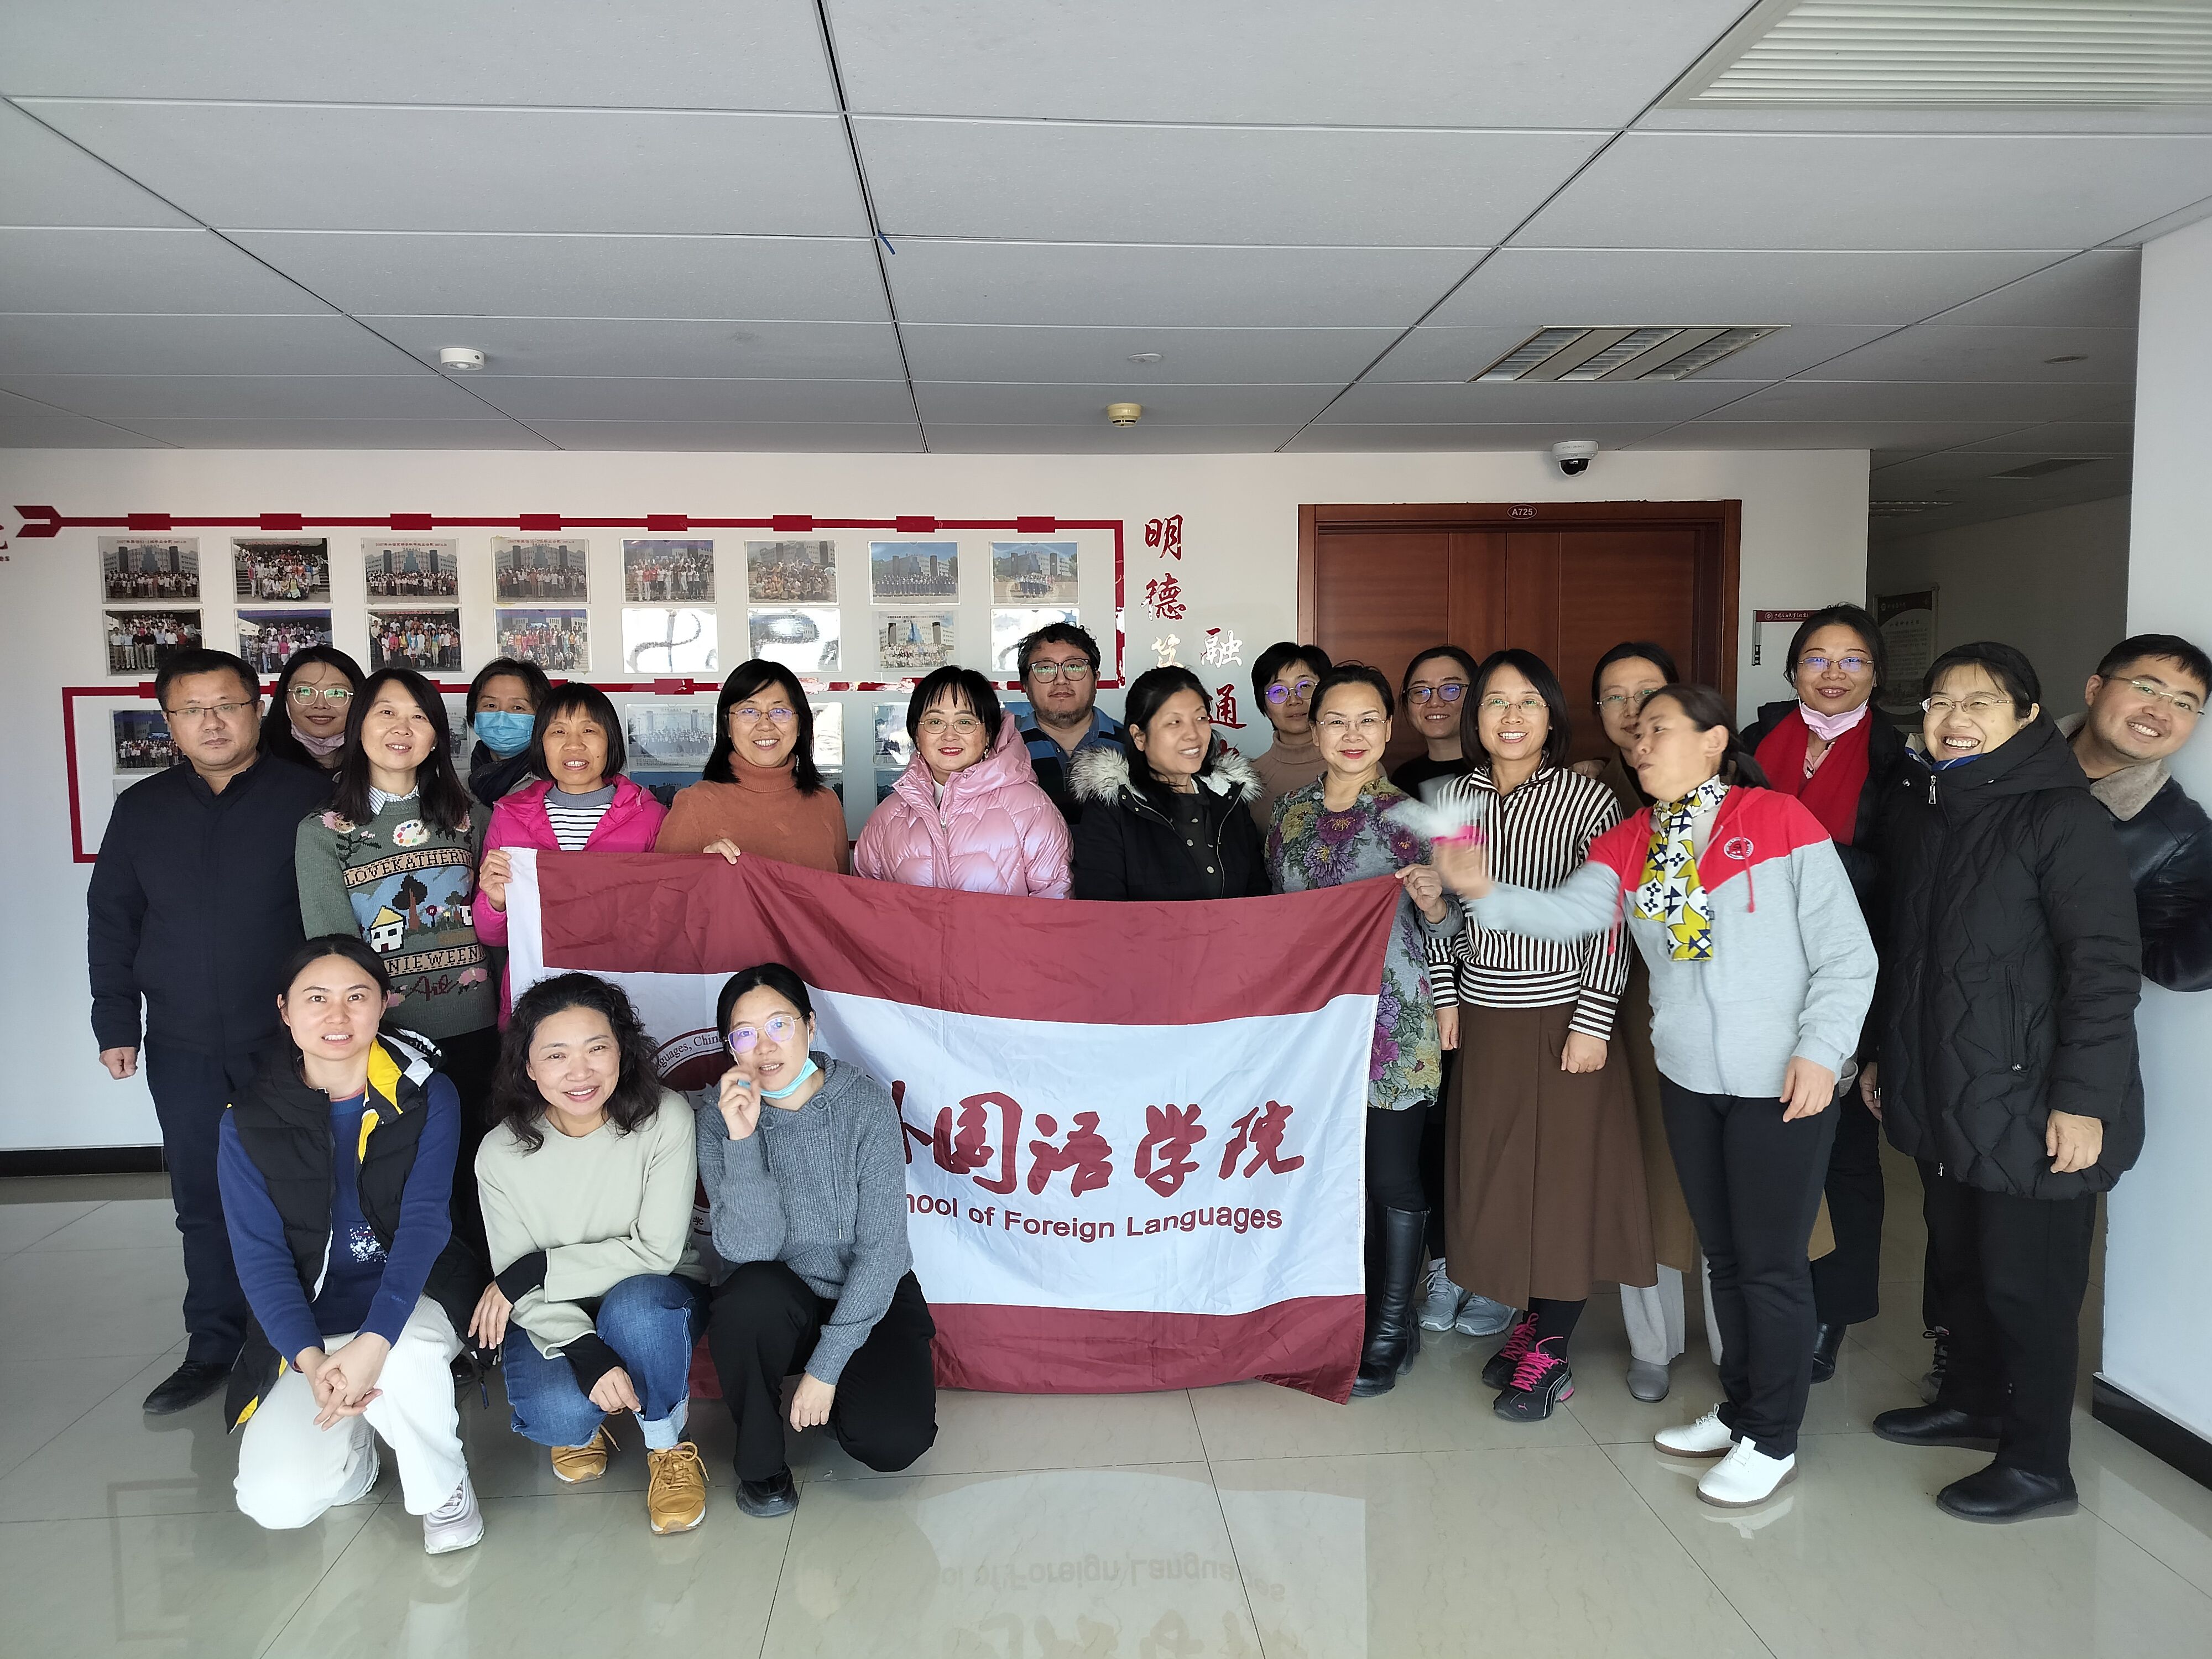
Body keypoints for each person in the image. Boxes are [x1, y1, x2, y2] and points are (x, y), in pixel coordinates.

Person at [1437, 684, 1875, 1507]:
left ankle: (1772, 1439)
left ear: (1713, 742)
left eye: (1659, 730)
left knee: (1771, 1265)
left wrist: (1822, 1052)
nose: (1639, 745)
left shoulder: (1778, 820)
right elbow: (1567, 918)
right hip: (1689, 1077)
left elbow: (1849, 956)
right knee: (1727, 1257)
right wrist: (1481, 891)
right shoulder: (1631, 840)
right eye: (1634, 735)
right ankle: (1741, 1411)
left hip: (1782, 1078)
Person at [1867, 643, 2143, 1524]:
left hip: (2034, 1099)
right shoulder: (1928, 810)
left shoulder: (2063, 818)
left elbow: (2104, 970)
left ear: (2028, 718)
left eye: (1981, 703)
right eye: (1940, 702)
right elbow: (1906, 959)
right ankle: (1974, 1403)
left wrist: (2085, 1102)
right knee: (1962, 1266)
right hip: (1949, 1088)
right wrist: (1882, 1056)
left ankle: (2037, 1464)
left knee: (2032, 1288)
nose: (1955, 718)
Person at [88, 648, 333, 1415]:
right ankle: (212, 1345)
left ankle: (306, 1338)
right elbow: (113, 919)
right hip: (184, 1041)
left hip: (291, 1042)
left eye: (226, 705)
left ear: (257, 707)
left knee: (306, 1190)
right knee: (202, 1197)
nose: (212, 722)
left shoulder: (311, 797)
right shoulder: (143, 808)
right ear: (170, 722)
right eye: (192, 710)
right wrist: (115, 1021)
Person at [1430, 650, 1653, 1421]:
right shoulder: (1453, 799)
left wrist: (1594, 1021)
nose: (1512, 716)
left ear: (1552, 716)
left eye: (1528, 701)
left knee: (1561, 1183)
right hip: (1485, 1016)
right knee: (1498, 1177)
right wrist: (1446, 995)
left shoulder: (1587, 801)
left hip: (1564, 1015)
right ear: (1476, 717)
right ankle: (1531, 1318)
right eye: (1496, 702)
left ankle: (1552, 1352)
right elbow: (1444, 912)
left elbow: (1610, 918)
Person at [220, 937, 485, 1552]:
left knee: (407, 1355)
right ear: (285, 1010)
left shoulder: (426, 1093)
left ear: (384, 1004)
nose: (337, 1016)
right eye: (317, 999)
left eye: (357, 997)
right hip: (313, 1324)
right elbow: (259, 1258)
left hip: (416, 1299)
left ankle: (442, 1489)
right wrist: (311, 1363)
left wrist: (375, 1340)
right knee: (275, 1502)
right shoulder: (246, 1119)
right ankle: (358, 1450)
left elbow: (424, 1224)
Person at [1267, 664, 1457, 1397]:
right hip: (1312, 1029)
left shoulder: (1418, 817)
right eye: (1337, 721)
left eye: (1368, 719)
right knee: (1328, 1179)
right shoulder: (1288, 815)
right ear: (1314, 729)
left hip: (1392, 1022)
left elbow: (1458, 929)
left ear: (1388, 727)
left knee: (1388, 1174)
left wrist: (1436, 906)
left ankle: (1391, 1325)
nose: (1353, 735)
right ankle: (1342, 1315)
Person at [472, 973, 712, 1535]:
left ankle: (666, 1445)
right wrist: (584, 1350)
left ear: (622, 1052)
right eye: (556, 1055)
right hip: (556, 1312)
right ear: (529, 1067)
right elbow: (517, 1290)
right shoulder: (500, 1153)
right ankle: (586, 1416)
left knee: (637, 1309)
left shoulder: (665, 1118)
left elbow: (656, 1252)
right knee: (558, 1416)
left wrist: (537, 1269)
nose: (579, 1073)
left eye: (596, 1049)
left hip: (654, 1292)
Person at [698, 963, 937, 1517]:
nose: (764, 1046)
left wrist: (826, 1369)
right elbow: (748, 1252)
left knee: (894, 1441)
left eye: (779, 1025)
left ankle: (837, 1393)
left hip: (868, 1292)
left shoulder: (864, 1104)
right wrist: (742, 1139)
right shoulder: (718, 1118)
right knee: (746, 1299)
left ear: (809, 1025)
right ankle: (762, 1467)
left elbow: (882, 1253)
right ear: (730, 1048)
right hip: (781, 1299)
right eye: (744, 1034)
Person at [1741, 605, 1909, 1386]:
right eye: (1816, 658)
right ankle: (1766, 1298)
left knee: (1842, 1155)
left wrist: (1810, 866)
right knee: (1766, 1144)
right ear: (1793, 669)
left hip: (1851, 973)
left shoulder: (1898, 758)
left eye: (1852, 660)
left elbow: (1903, 883)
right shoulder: (1755, 739)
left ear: (1876, 673)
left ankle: (1829, 1313)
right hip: (1752, 975)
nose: (1833, 674)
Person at [1575, 642, 1704, 1401]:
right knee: (1644, 1178)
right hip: (1624, 1011)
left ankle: (1742, 1349)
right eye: (1614, 697)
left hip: (1727, 1015)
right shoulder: (1590, 796)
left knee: (1726, 1183)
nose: (1632, 713)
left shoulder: (1733, 793)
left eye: (1647, 694)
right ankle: (1652, 1343)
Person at [475, 684, 668, 1018]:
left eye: (589, 730)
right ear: (541, 743)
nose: (574, 744)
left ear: (610, 741)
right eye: (558, 731)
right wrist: (496, 903)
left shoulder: (650, 817)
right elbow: (491, 936)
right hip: (537, 1000)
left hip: (624, 997)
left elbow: (670, 918)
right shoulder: (509, 817)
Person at [2063, 633, 2212, 992]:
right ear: (2095, 689)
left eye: (2184, 704)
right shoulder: (1997, 754)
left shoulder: (2180, 834)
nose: (2160, 712)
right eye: (2146, 689)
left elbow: (2174, 966)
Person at [854, 666, 1071, 896]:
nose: (950, 735)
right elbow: (865, 905)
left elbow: (1054, 904)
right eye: (935, 722)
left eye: (965, 722)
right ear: (917, 734)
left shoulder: (1032, 809)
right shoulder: (886, 817)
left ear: (988, 734)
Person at [1068, 665, 1269, 901]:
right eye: (1175, 722)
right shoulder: (1111, 810)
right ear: (1139, 737)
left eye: (1201, 718)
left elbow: (1258, 896)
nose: (1193, 734)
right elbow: (1102, 909)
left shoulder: (1229, 799)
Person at [655, 660, 850, 872]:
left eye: (780, 711)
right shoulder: (694, 804)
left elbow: (842, 891)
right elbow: (662, 889)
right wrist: (699, 872)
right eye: (748, 711)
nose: (765, 725)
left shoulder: (827, 803)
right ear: (727, 726)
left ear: (800, 724)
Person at [1012, 621, 1124, 823]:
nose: (1061, 680)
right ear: (1025, 685)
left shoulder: (1133, 746)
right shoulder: (1004, 752)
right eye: (1045, 669)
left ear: (1096, 680)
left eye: (1074, 666)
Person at [1246, 641, 1334, 828]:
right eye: (1278, 691)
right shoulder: (1250, 781)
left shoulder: (1358, 765)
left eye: (1306, 686)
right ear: (1265, 707)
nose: (1294, 700)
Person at [1391, 645, 1478, 800]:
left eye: (1451, 689)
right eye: (1421, 691)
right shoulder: (1403, 780)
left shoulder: (1499, 773)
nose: (1435, 703)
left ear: (1476, 695)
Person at [261, 645, 363, 773]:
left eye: (336, 693)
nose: (320, 705)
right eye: (305, 691)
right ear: (285, 698)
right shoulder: (258, 764)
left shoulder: (380, 763)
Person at [466, 658, 552, 805]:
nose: (501, 718)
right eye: (491, 705)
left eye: (518, 708)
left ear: (542, 716)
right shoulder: (461, 788)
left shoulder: (554, 787)